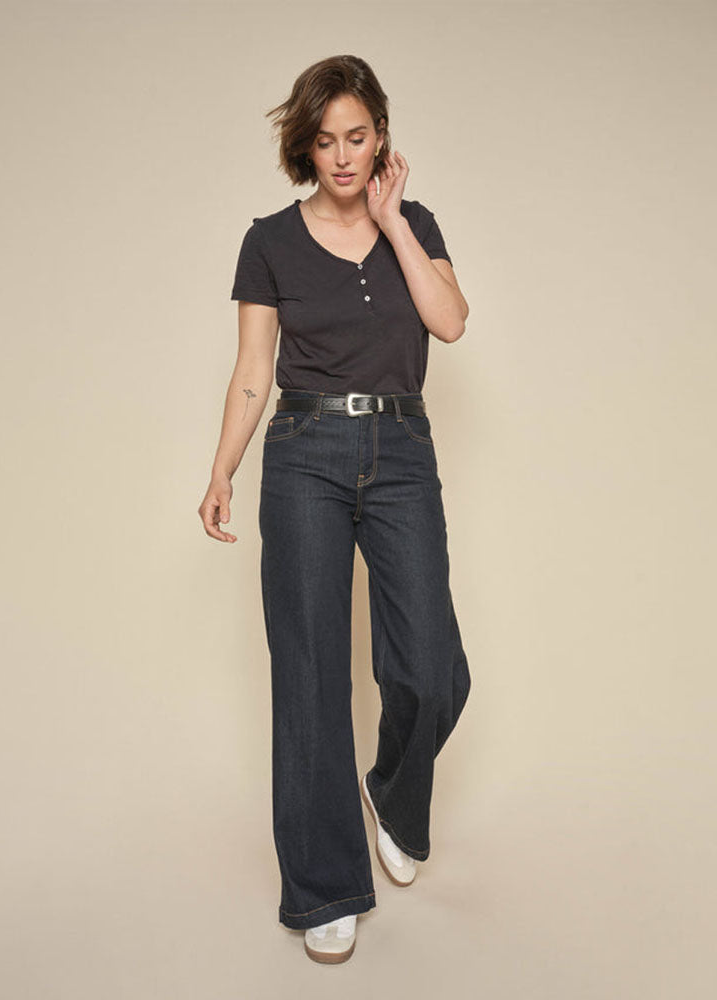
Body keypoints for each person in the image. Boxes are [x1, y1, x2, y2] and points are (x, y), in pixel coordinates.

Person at [198, 54, 472, 964]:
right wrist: (222, 470)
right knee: (310, 671)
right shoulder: (269, 241)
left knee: (430, 667)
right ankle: (323, 886)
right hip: (304, 450)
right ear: (305, 148)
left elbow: (449, 321)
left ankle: (391, 794)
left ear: (381, 137)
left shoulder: (415, 223)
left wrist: (392, 223)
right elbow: (253, 369)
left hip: (402, 449)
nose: (344, 157)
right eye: (326, 142)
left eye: (358, 137)